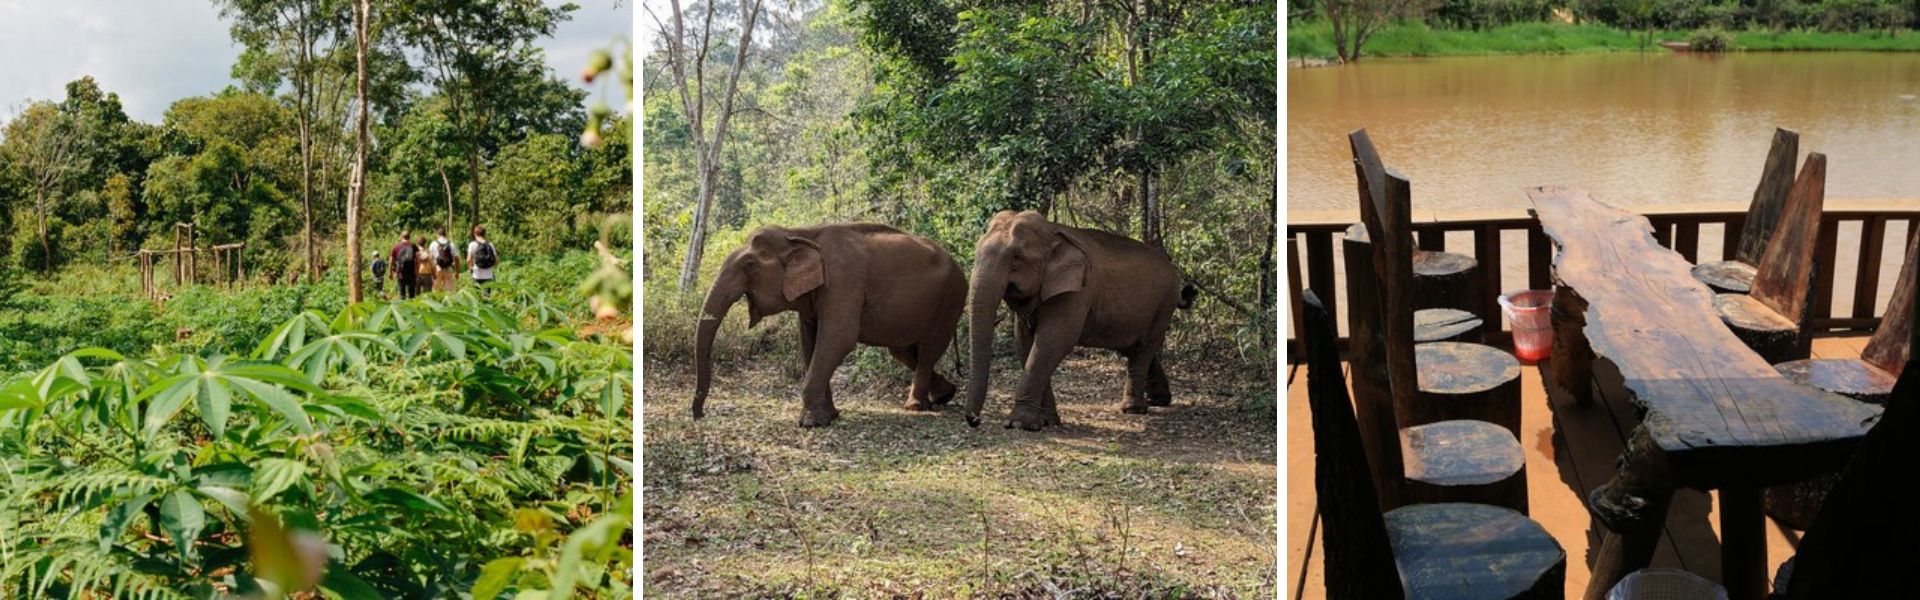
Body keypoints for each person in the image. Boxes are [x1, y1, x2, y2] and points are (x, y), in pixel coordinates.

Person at [390, 232, 421, 300]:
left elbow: (391, 261)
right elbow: (418, 260)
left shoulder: (396, 247)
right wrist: (417, 272)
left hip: (400, 274)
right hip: (411, 273)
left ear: (401, 237)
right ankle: (412, 309)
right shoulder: (413, 246)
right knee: (412, 295)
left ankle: (402, 309)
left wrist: (390, 273)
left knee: (402, 294)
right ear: (409, 237)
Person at [427, 228, 459, 292]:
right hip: (448, 268)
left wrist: (431, 271)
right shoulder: (451, 243)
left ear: (437, 235)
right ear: (445, 234)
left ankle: (436, 301)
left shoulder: (433, 244)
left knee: (436, 290)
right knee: (449, 291)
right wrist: (457, 272)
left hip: (437, 268)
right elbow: (456, 258)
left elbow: (430, 258)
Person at [468, 225, 498, 293]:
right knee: (487, 296)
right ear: (484, 234)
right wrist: (492, 267)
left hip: (476, 274)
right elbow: (496, 259)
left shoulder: (472, 244)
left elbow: (468, 259)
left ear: (475, 234)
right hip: (488, 275)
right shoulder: (490, 244)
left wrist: (470, 268)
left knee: (477, 296)